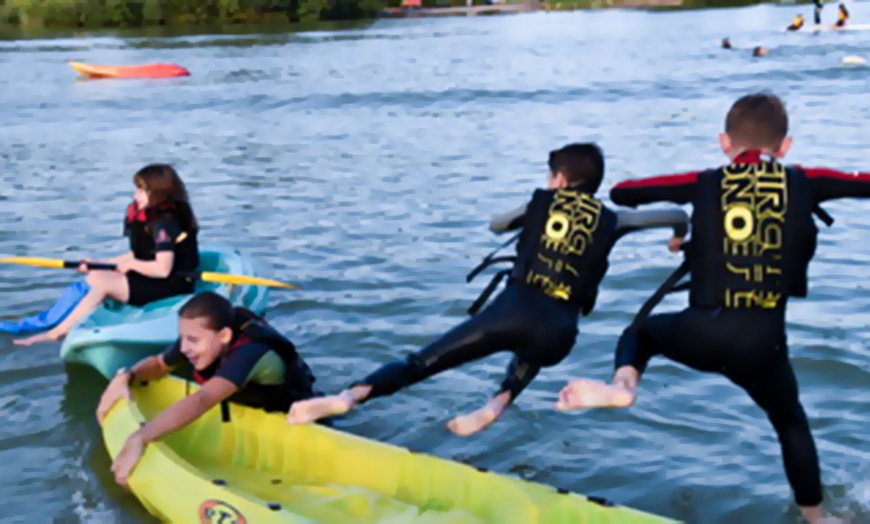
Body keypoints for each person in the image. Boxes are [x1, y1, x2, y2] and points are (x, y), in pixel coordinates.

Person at [555, 93, 870, 524]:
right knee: (790, 423)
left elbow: (625, 193)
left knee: (639, 334)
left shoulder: (704, 182)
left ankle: (624, 387)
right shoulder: (804, 180)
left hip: (698, 330)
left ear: (725, 142)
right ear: (786, 146)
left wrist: (694, 221)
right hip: (763, 346)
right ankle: (817, 520)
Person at [285, 143, 690, 436]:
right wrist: (678, 236)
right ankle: (496, 405)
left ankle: (350, 397)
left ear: (560, 179)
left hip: (511, 311)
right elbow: (674, 213)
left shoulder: (540, 203)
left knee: (419, 364)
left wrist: (529, 216)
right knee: (530, 356)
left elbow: (497, 225)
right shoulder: (614, 219)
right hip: (559, 332)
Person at [96, 291, 322, 489]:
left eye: (192, 340)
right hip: (248, 407)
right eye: (182, 338)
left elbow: (203, 399)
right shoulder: (202, 337)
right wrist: (126, 376)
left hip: (297, 417)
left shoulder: (252, 352)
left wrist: (140, 438)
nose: (184, 348)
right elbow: (159, 364)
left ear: (224, 335)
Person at [14, 164, 200, 346]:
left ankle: (56, 334)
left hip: (174, 284)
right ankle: (56, 322)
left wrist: (131, 266)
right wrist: (99, 264)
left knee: (103, 284)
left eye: (142, 190)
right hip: (158, 278)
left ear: (158, 192)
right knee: (96, 276)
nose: (136, 196)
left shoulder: (165, 224)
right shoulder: (153, 218)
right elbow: (138, 255)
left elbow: (162, 269)